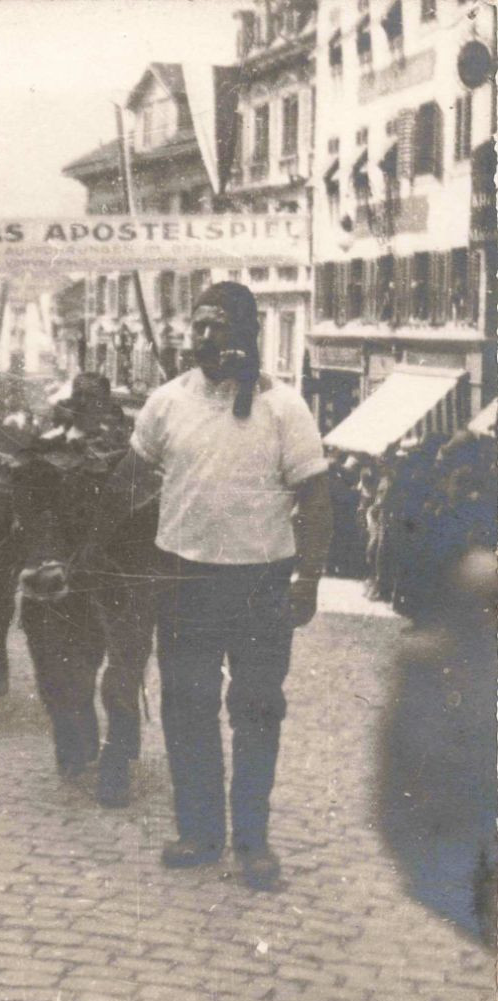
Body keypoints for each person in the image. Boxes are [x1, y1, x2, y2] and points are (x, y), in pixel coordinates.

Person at [128, 281, 332, 891]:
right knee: (187, 709)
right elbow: (131, 487)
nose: (203, 336)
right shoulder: (165, 402)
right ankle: (199, 833)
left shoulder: (286, 409)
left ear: (246, 332)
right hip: (185, 580)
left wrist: (310, 579)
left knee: (257, 712)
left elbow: (317, 501)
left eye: (217, 325)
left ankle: (253, 842)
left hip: (260, 585)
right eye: (197, 325)